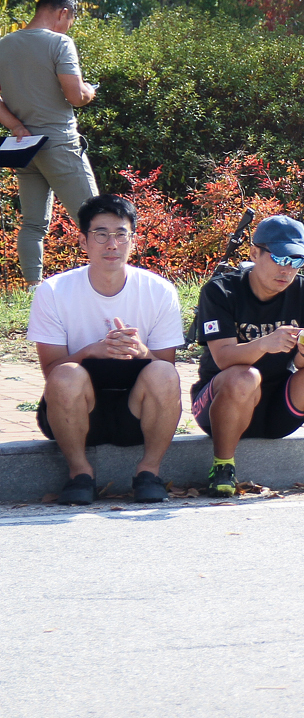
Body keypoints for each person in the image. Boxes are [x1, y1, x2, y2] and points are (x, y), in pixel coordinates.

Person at [28, 194, 184, 506]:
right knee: (66, 375)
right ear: (83, 241)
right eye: (100, 234)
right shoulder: (53, 291)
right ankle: (80, 474)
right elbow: (51, 372)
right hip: (76, 413)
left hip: (136, 415)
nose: (111, 244)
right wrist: (92, 351)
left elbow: (166, 369)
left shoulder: (160, 291)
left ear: (133, 240)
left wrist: (141, 351)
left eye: (120, 234)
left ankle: (149, 473)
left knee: (164, 373)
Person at [190, 215, 304, 498]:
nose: (287, 269)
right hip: (219, 406)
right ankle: (222, 467)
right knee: (244, 376)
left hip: (278, 410)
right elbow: (223, 359)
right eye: (279, 258)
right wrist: (265, 344)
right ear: (254, 253)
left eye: (296, 261)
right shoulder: (220, 291)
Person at [0, 0, 100, 285]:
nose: (69, 27)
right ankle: (107, 285)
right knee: (97, 219)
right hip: (59, 143)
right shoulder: (60, 43)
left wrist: (16, 126)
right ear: (63, 12)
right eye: (70, 20)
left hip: (25, 147)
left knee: (33, 224)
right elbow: (75, 96)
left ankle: (33, 289)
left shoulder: (3, 45)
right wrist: (89, 92)